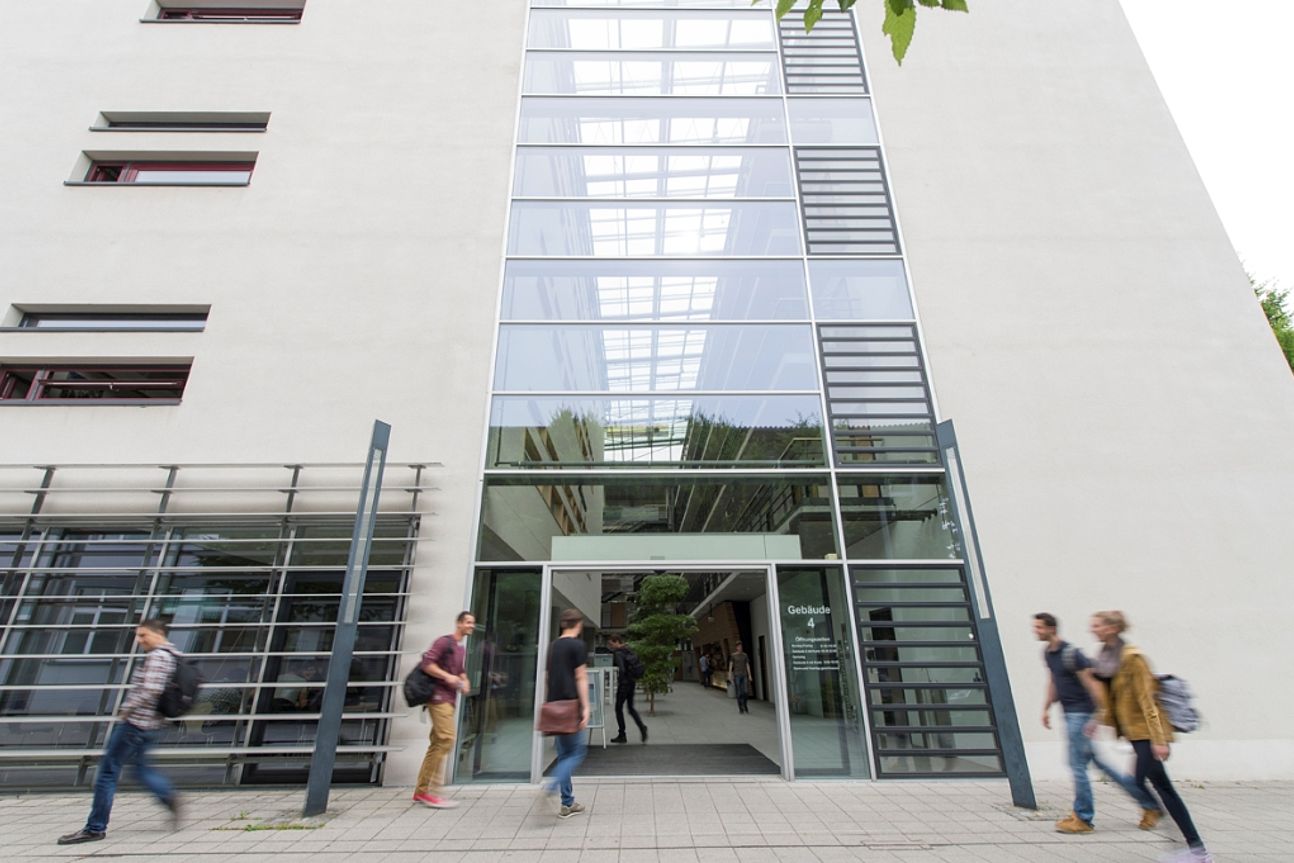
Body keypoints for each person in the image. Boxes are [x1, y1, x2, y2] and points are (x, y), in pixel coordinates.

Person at [1091, 610, 1211, 862]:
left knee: (1135, 781)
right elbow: (1111, 699)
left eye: (1098, 625)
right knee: (1164, 789)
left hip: (1147, 733)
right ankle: (1194, 849)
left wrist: (1159, 740)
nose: (1094, 629)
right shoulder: (1107, 657)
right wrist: (1096, 720)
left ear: (1112, 628)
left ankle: (1191, 847)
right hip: (1135, 734)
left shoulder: (1133, 658)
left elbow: (1148, 701)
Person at [1032, 612, 1162, 834]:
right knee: (1102, 766)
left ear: (1052, 629)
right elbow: (1053, 681)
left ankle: (1083, 818)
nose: (1036, 631)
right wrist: (1046, 707)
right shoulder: (1048, 653)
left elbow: (1093, 684)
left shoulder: (1072, 654)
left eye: (1040, 628)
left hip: (1080, 716)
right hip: (1069, 714)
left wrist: (1098, 715)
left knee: (1077, 766)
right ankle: (1149, 804)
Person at [58, 619, 181, 845]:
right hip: (152, 725)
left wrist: (127, 708)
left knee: (107, 773)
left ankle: (95, 827)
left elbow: (151, 690)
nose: (139, 640)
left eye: (144, 635)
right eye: (138, 635)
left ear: (159, 633)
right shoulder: (173, 655)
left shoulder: (157, 657)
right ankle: (168, 796)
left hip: (135, 725)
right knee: (141, 770)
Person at [412, 610, 475, 810]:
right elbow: (427, 664)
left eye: (472, 623)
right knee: (446, 739)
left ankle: (421, 790)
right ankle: (432, 792)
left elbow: (461, 671)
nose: (471, 626)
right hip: (438, 698)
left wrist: (464, 681)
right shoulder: (443, 642)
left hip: (450, 698)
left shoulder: (460, 649)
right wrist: (447, 677)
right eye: (468, 622)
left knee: (437, 743)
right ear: (458, 624)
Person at [542, 608, 589, 819]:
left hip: (554, 706)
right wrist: (586, 707)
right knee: (576, 753)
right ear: (577, 625)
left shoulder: (552, 646)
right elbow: (580, 677)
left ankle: (567, 803)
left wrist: (548, 703)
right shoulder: (577, 645)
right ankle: (550, 787)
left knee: (563, 755)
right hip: (570, 706)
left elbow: (546, 678)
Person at [607, 634, 647, 744]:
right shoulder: (629, 650)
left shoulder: (618, 653)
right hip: (632, 682)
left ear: (616, 642)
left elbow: (622, 669)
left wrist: (620, 681)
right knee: (631, 708)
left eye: (611, 644)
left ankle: (622, 735)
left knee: (618, 708)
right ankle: (642, 727)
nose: (611, 646)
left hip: (624, 684)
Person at [729, 642, 750, 714]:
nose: (740, 648)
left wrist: (749, 675)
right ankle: (740, 707)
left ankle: (745, 704)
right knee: (739, 692)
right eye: (739, 646)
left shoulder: (745, 655)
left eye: (741, 646)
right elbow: (731, 665)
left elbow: (747, 665)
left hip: (744, 675)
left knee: (745, 691)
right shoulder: (733, 655)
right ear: (737, 647)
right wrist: (730, 675)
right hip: (737, 675)